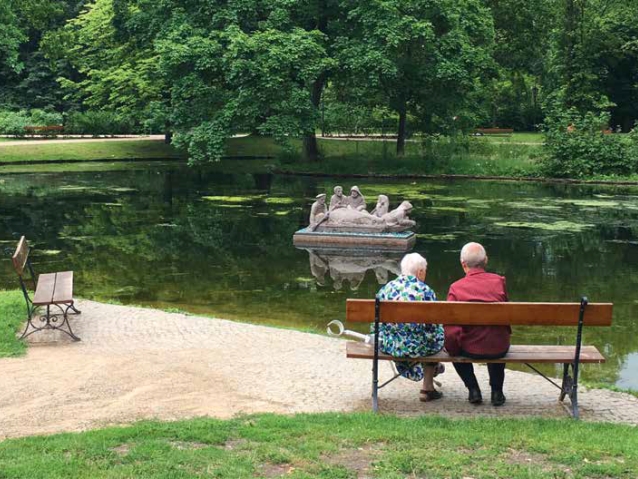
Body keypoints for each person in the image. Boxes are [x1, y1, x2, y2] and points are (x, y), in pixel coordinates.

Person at [445, 242, 510, 406]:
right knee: (495, 334)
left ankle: (473, 389)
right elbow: (506, 317)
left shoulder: (456, 288)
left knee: (454, 346)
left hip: (470, 349)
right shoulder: (499, 282)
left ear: (463, 264)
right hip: (499, 349)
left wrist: (452, 350)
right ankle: (497, 392)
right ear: (486, 260)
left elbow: (451, 332)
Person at [375, 253, 445, 402]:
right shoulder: (425, 291)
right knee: (433, 336)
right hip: (419, 347)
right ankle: (427, 387)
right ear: (420, 272)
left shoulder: (386, 289)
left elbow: (375, 324)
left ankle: (422, 370)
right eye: (425, 271)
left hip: (390, 345)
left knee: (413, 336)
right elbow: (433, 327)